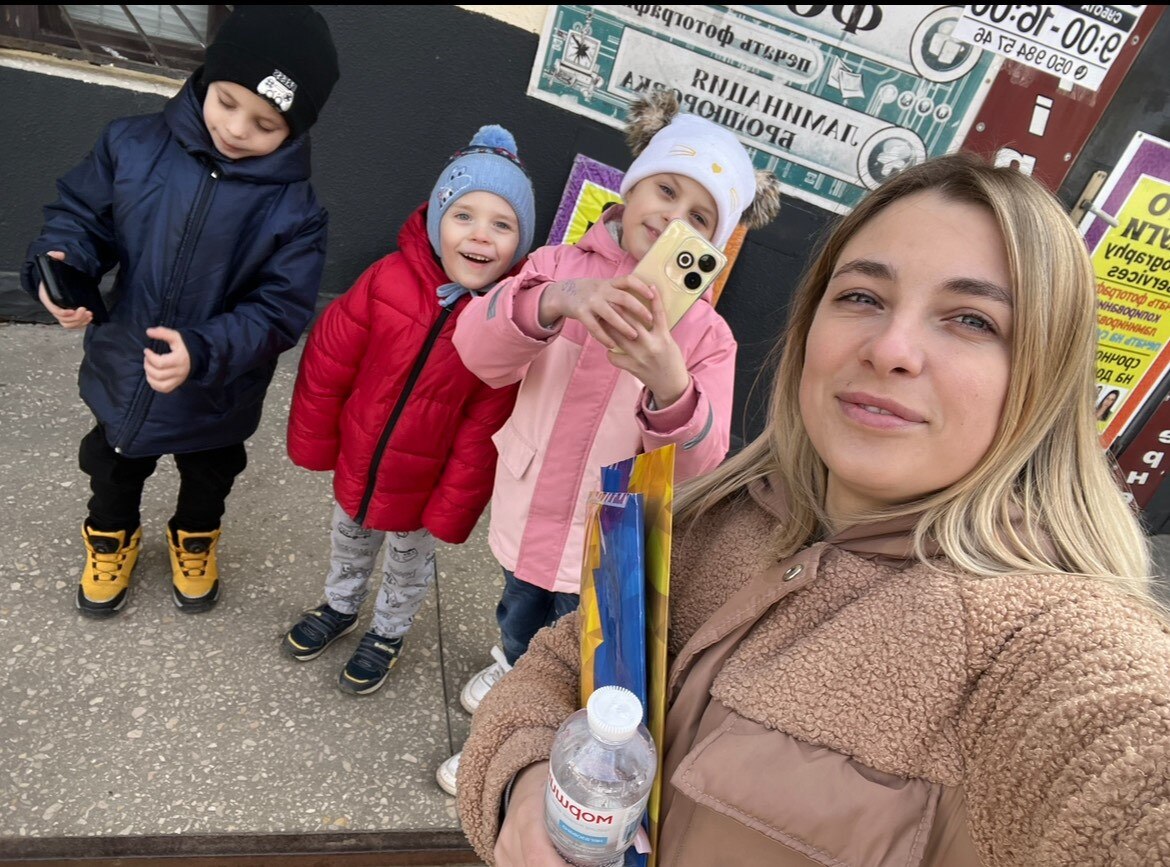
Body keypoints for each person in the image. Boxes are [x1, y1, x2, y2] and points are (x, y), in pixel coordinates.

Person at [456, 152, 1170, 865]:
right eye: (862, 296)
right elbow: (567, 667)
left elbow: (1127, 755)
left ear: (1046, 374)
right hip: (548, 523)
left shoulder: (1041, 644)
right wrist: (523, 781)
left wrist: (668, 386)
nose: (891, 348)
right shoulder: (724, 518)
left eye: (972, 319)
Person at [436, 91, 782, 794]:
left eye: (701, 215)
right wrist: (550, 303)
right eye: (665, 187)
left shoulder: (706, 336)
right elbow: (477, 349)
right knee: (517, 608)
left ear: (716, 243)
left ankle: (516, 734)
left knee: (576, 652)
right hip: (530, 502)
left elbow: (702, 456)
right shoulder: (556, 265)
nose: (673, 215)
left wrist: (669, 384)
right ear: (631, 185)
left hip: (607, 533)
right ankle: (510, 666)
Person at [20, 5, 339, 617]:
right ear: (204, 77)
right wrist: (61, 266)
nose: (238, 129)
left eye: (266, 123)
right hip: (125, 363)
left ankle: (195, 536)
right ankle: (111, 536)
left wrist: (206, 349)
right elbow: (82, 217)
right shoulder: (130, 144)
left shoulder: (298, 212)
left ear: (296, 131)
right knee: (113, 467)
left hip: (217, 386)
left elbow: (279, 309)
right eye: (226, 101)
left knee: (210, 473)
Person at [281, 125, 535, 695]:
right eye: (464, 215)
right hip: (360, 457)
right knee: (348, 539)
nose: (480, 235)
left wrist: (453, 505)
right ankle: (341, 605)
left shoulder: (502, 327)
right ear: (435, 219)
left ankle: (389, 631)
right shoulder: (386, 281)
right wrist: (319, 440)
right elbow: (329, 361)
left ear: (520, 246)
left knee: (407, 563)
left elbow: (485, 430)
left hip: (422, 484)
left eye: (503, 224)